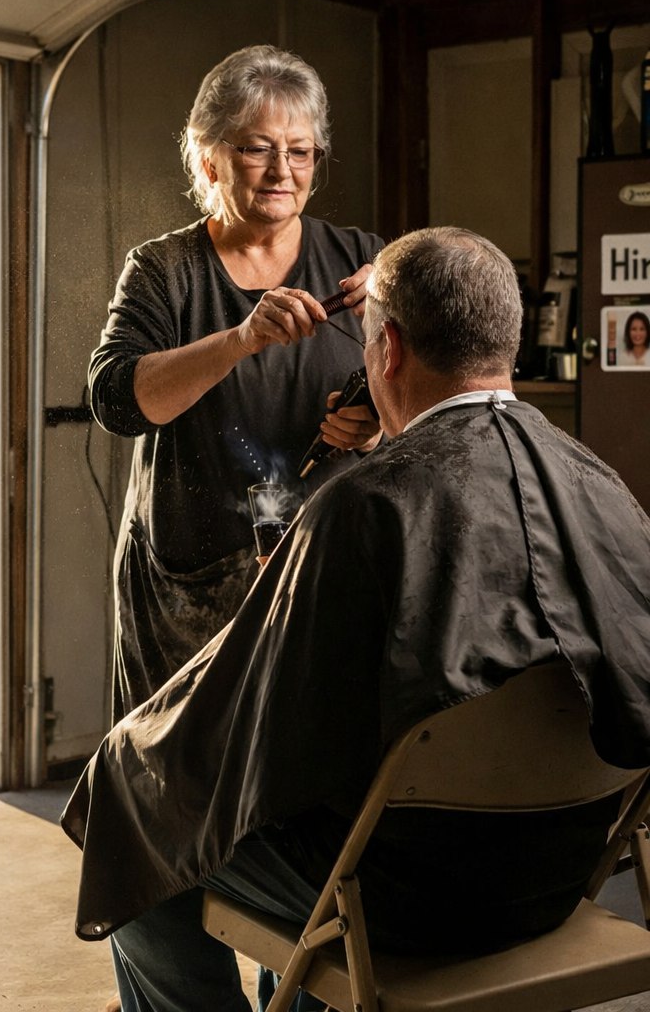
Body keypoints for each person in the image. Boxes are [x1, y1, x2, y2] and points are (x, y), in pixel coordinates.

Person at [62, 227, 650, 1012]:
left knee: (125, 793)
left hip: (402, 897)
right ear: (506, 340)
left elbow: (244, 730)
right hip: (564, 870)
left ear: (389, 350)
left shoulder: (366, 506)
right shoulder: (606, 487)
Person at [88, 44, 384, 722]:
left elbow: (433, 414)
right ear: (207, 155)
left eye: (301, 152)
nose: (283, 171)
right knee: (178, 784)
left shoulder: (362, 262)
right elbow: (115, 402)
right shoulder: (165, 270)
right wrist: (241, 339)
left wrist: (375, 425)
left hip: (322, 579)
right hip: (190, 586)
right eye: (258, 149)